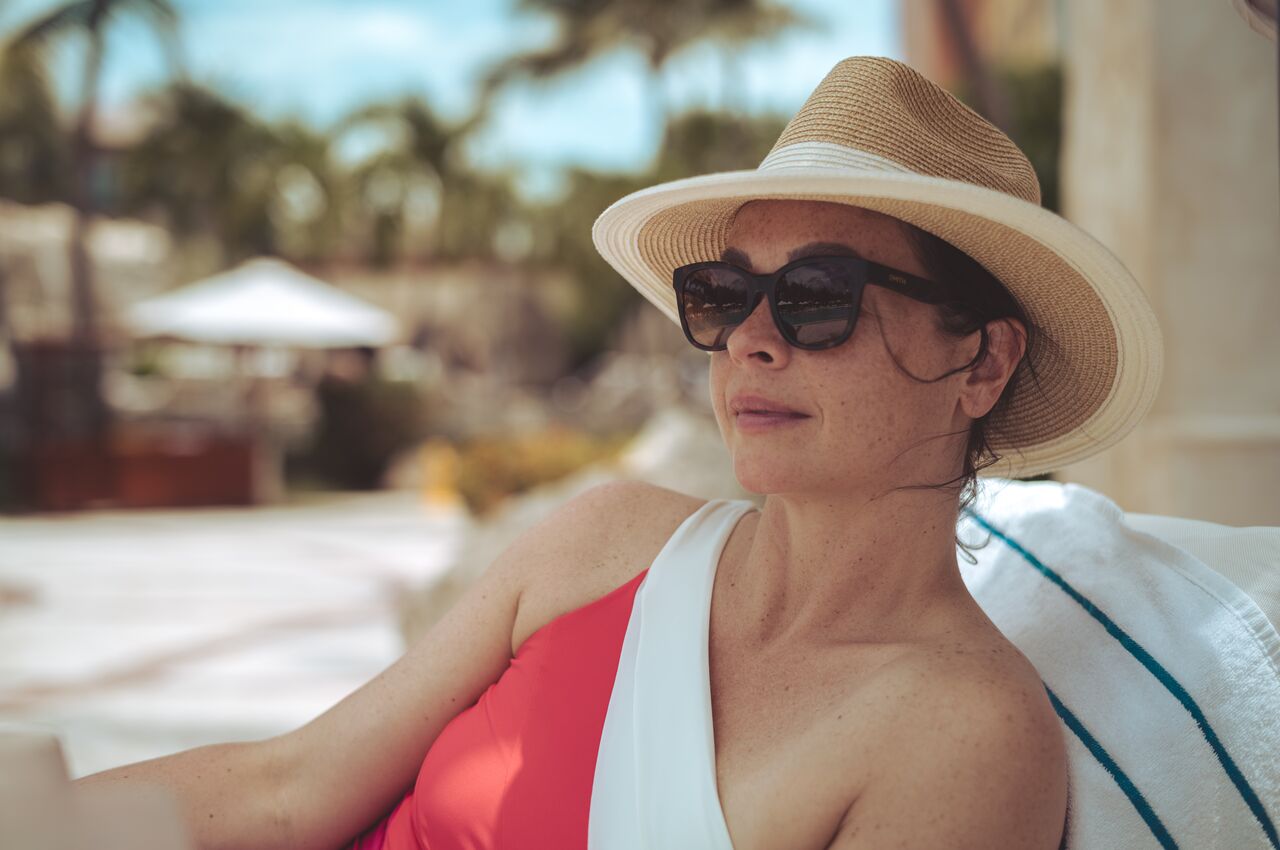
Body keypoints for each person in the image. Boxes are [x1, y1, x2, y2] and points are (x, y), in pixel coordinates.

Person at [74, 56, 1162, 850]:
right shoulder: (605, 546)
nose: (750, 337)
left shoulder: (961, 735)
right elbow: (286, 787)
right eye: (723, 293)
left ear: (981, 360)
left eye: (817, 297)